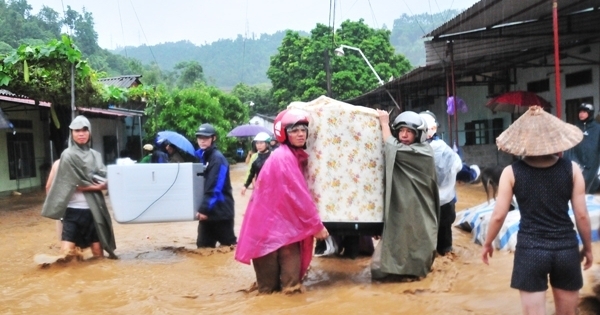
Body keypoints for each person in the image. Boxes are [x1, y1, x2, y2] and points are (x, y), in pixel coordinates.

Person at [481, 106, 593, 315]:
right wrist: (587, 248)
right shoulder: (572, 169)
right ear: (554, 139)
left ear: (522, 141)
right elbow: (582, 215)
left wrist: (487, 243)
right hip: (565, 249)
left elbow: (498, 215)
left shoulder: (511, 172)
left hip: (530, 250)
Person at [235, 108, 329, 294]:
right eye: (294, 130)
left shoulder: (290, 156)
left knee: (290, 288)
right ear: (284, 134)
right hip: (267, 234)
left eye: (303, 129)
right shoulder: (284, 158)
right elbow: (299, 198)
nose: (301, 134)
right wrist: (316, 226)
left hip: (285, 232)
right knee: (268, 291)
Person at [371, 109, 439, 281]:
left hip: (418, 206)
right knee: (398, 237)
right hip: (402, 204)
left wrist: (384, 123)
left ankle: (413, 271)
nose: (404, 135)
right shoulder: (409, 150)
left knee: (417, 237)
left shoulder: (423, 152)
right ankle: (398, 270)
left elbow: (390, 145)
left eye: (409, 131)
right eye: (401, 131)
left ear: (419, 135)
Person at [41, 115, 117, 259]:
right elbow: (70, 183)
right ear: (72, 134)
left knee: (98, 254)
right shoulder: (67, 156)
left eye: (84, 130)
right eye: (77, 131)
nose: (81, 134)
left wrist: (98, 185)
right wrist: (97, 186)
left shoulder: (95, 156)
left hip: (94, 211)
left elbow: (106, 177)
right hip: (72, 211)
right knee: (66, 255)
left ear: (90, 132)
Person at [419, 111, 463, 255]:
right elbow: (459, 167)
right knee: (445, 241)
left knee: (426, 236)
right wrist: (474, 173)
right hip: (446, 203)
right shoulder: (444, 148)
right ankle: (445, 253)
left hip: (424, 203)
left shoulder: (414, 150)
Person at [194, 123, 237, 248]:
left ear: (213, 138)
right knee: (203, 250)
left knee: (228, 247)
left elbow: (215, 187)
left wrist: (204, 209)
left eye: (206, 138)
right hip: (208, 213)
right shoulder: (204, 157)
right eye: (200, 137)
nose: (202, 140)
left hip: (221, 214)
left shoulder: (217, 159)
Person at [564, 103, 600, 194]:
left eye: (584, 112)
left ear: (590, 113)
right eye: (580, 111)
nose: (581, 114)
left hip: (593, 167)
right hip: (577, 165)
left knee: (589, 192)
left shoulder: (597, 129)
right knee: (576, 191)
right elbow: (569, 146)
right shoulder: (575, 128)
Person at [241, 132, 272, 196]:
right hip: (260, 187)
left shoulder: (273, 156)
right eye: (257, 143)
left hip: (272, 188)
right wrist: (245, 186)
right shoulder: (255, 157)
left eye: (261, 143)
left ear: (267, 144)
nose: (258, 145)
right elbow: (251, 173)